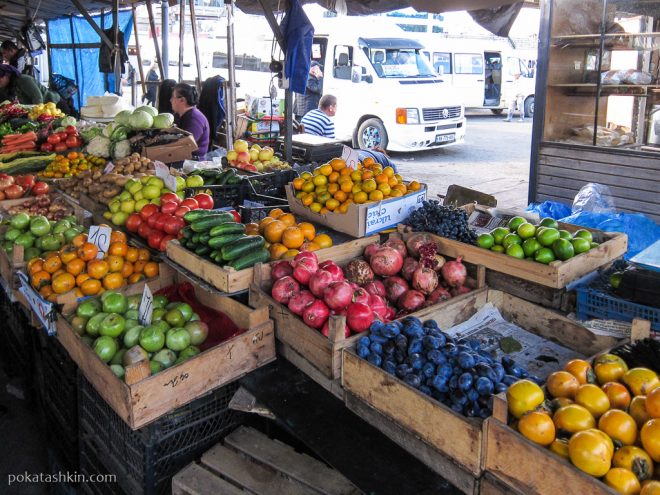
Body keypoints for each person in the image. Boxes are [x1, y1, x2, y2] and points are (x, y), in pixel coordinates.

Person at [171, 82, 210, 159]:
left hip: (193, 163)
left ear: (182, 100)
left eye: (173, 97)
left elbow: (185, 146)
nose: (170, 100)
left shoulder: (194, 119)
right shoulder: (184, 115)